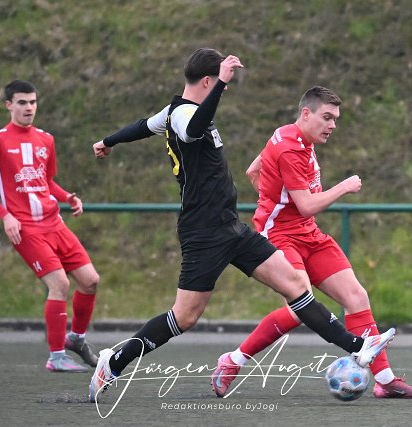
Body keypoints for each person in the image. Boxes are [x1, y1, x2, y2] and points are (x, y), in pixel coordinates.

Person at [88, 48, 395, 403]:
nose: (225, 88)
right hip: (203, 232)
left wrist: (108, 141)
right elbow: (194, 128)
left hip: (230, 226)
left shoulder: (171, 112)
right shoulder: (185, 115)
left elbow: (143, 126)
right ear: (207, 81)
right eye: (219, 82)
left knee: (296, 285)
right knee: (184, 317)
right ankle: (114, 361)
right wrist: (222, 83)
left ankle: (359, 346)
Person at [209, 86, 412, 399]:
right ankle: (233, 360)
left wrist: (272, 195)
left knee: (356, 296)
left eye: (335, 118)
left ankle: (385, 381)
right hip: (280, 235)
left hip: (308, 233)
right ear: (306, 113)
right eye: (327, 117)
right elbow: (307, 205)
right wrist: (344, 187)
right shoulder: (289, 148)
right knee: (301, 307)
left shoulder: (295, 137)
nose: (332, 125)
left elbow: (253, 171)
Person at [0, 80, 100, 373]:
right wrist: (6, 216)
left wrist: (67, 197)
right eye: (22, 102)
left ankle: (76, 339)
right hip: (26, 228)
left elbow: (46, 181)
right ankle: (56, 358)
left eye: (32, 102)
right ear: (9, 105)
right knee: (60, 284)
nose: (29, 107)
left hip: (54, 222)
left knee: (91, 281)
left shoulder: (46, 139)